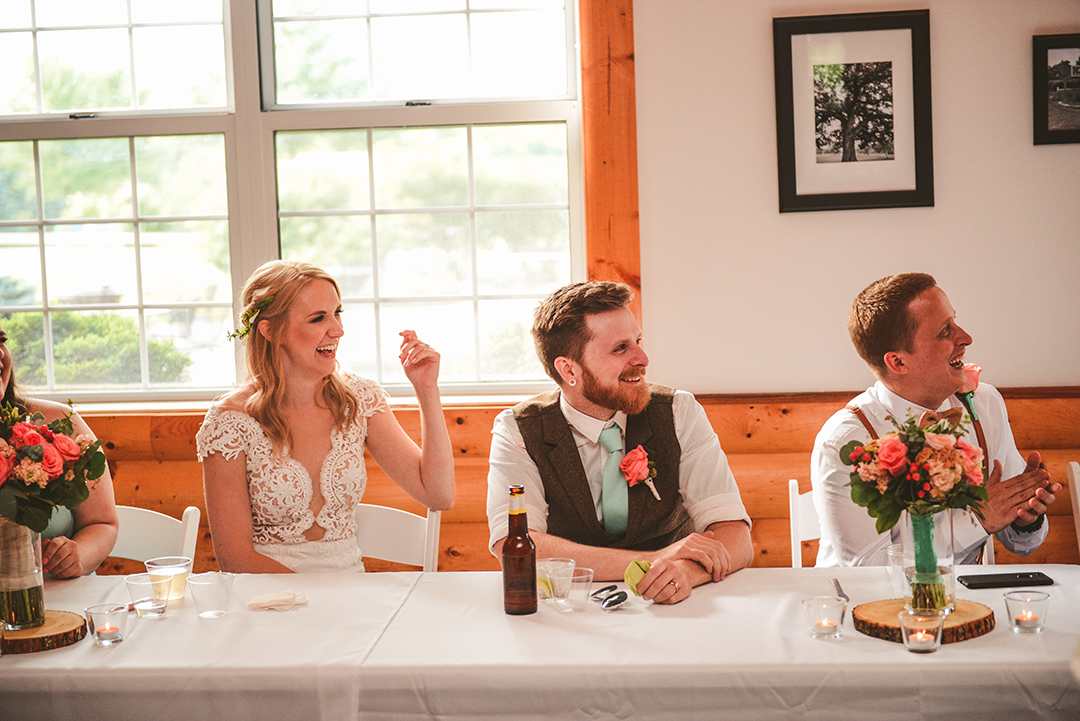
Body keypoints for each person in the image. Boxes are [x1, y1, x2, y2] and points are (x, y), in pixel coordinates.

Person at [485, 281, 753, 604]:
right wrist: (656, 558)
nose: (642, 358)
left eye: (638, 341)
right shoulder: (518, 431)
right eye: (620, 348)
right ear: (568, 369)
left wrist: (685, 572)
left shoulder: (680, 411)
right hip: (569, 610)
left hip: (678, 609)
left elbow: (736, 537)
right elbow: (514, 544)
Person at [196, 260, 454, 573]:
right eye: (319, 318)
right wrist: (316, 603)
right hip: (269, 601)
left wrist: (427, 389)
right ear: (271, 330)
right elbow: (235, 559)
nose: (338, 330)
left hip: (350, 596)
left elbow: (439, 495)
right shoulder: (229, 423)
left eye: (337, 313)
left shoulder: (359, 400)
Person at [812, 272, 1060, 567]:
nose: (966, 338)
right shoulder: (847, 441)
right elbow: (870, 568)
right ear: (898, 362)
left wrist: (1025, 516)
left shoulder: (984, 404)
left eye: (955, 321)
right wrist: (976, 520)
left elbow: (1023, 545)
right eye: (945, 331)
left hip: (967, 602)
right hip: (864, 606)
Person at [0, 322, 119, 578]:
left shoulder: (59, 422)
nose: (0, 353)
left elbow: (102, 523)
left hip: (64, 601)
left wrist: (78, 557)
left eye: (1, 340)